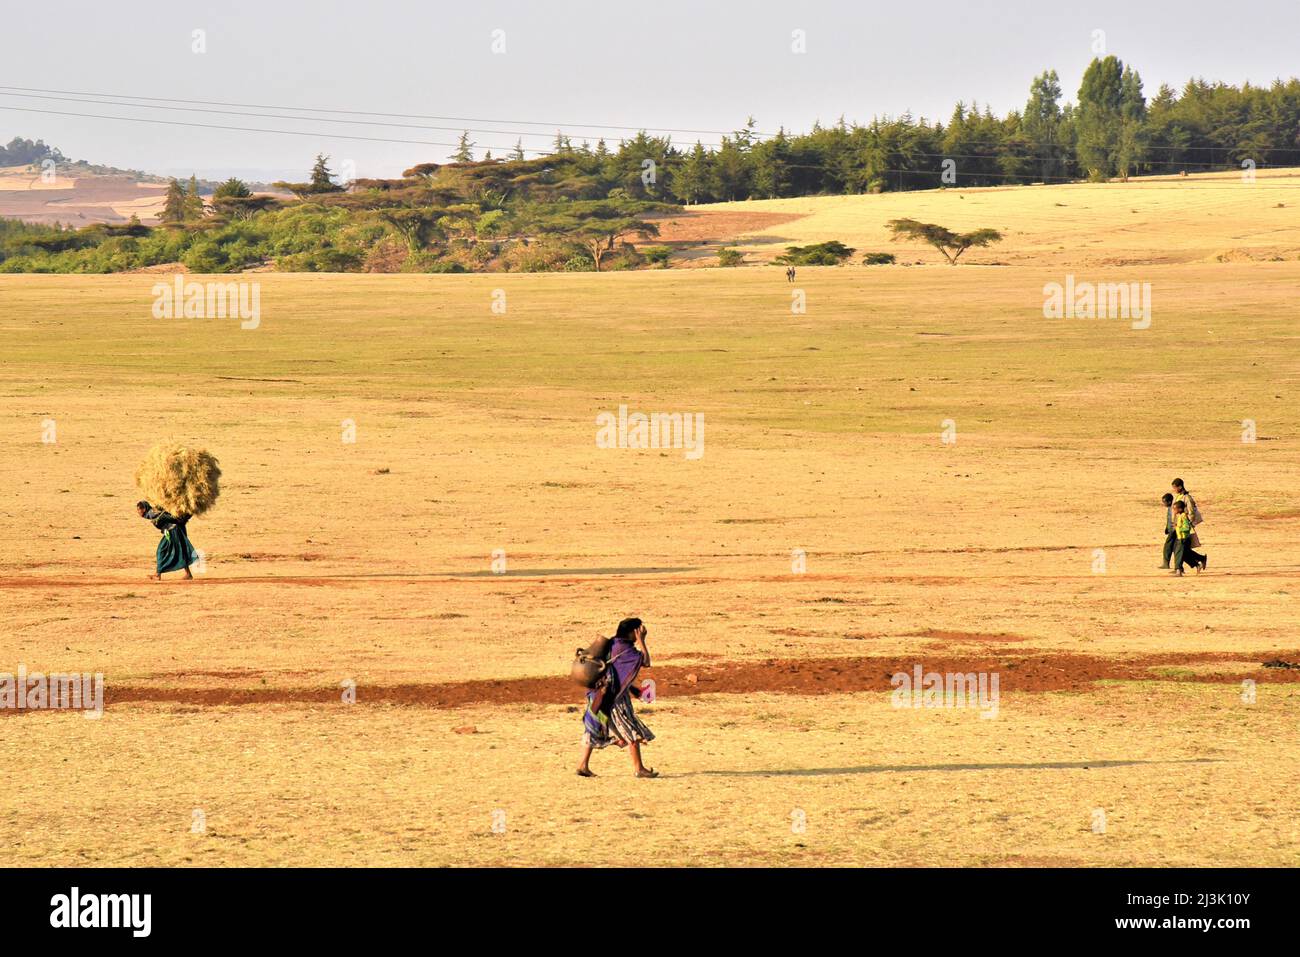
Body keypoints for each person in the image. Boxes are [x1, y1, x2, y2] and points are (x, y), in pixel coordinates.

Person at [577, 617, 657, 778]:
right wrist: (642, 641)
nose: (640, 633)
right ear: (632, 632)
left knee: (593, 727)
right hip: (615, 700)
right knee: (630, 728)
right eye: (638, 630)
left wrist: (634, 690)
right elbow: (646, 661)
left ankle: (583, 765)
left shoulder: (613, 643)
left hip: (598, 695)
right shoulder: (626, 649)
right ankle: (639, 768)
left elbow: (615, 674)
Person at [136, 501, 197, 581]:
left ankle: (157, 575)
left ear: (144, 509)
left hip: (173, 530)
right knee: (180, 550)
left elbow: (168, 517)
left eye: (138, 510)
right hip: (171, 530)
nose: (138, 512)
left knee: (161, 550)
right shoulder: (152, 512)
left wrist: (161, 520)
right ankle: (188, 574)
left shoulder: (152, 513)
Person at [1171, 501, 1206, 576]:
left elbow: (1187, 527)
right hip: (1180, 538)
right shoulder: (1180, 516)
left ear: (1180, 509)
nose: (1173, 511)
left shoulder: (1184, 516)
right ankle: (1198, 563)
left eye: (1175, 509)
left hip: (1184, 539)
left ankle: (1179, 571)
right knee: (1184, 554)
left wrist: (1178, 527)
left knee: (1180, 555)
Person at [1160, 493, 1177, 569]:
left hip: (1174, 530)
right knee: (1176, 548)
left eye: (1165, 502)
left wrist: (1172, 529)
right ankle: (1200, 558)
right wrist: (1167, 528)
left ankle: (1166, 564)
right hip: (1171, 530)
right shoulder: (1170, 508)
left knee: (1167, 547)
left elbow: (1173, 520)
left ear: (1169, 502)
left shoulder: (1174, 508)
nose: (1164, 504)